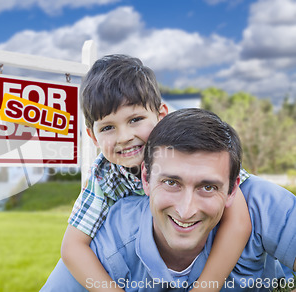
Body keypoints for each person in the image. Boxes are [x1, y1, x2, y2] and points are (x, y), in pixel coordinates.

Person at [41, 108, 296, 291]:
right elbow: (73, 248)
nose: (186, 211)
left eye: (207, 187)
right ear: (145, 178)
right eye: (171, 183)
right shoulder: (112, 236)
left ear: (232, 189)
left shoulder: (260, 202)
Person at [60, 55, 251, 291]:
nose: (124, 137)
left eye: (135, 119)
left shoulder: (190, 147)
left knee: (260, 198)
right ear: (93, 137)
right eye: (108, 127)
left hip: (208, 261)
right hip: (145, 269)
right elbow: (72, 247)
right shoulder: (104, 175)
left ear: (160, 115)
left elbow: (239, 222)